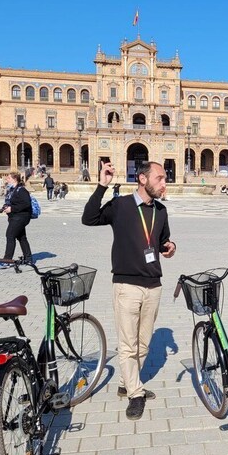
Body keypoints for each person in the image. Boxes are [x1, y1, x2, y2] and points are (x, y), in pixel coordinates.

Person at [82, 160, 176, 421]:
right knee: (127, 344)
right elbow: (88, 218)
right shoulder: (121, 206)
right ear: (143, 180)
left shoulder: (161, 211)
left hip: (153, 285)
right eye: (160, 178)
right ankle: (135, 393)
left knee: (143, 343)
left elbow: (162, 241)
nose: (164, 183)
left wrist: (170, 247)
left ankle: (126, 381)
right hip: (126, 285)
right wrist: (102, 185)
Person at [0, 172, 33, 267]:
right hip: (14, 217)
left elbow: (26, 204)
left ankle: (7, 260)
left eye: (8, 178)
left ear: (14, 179)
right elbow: (12, 201)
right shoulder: (12, 190)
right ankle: (28, 258)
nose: (6, 180)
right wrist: (6, 207)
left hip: (21, 216)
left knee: (10, 235)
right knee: (21, 237)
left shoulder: (21, 190)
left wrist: (12, 209)